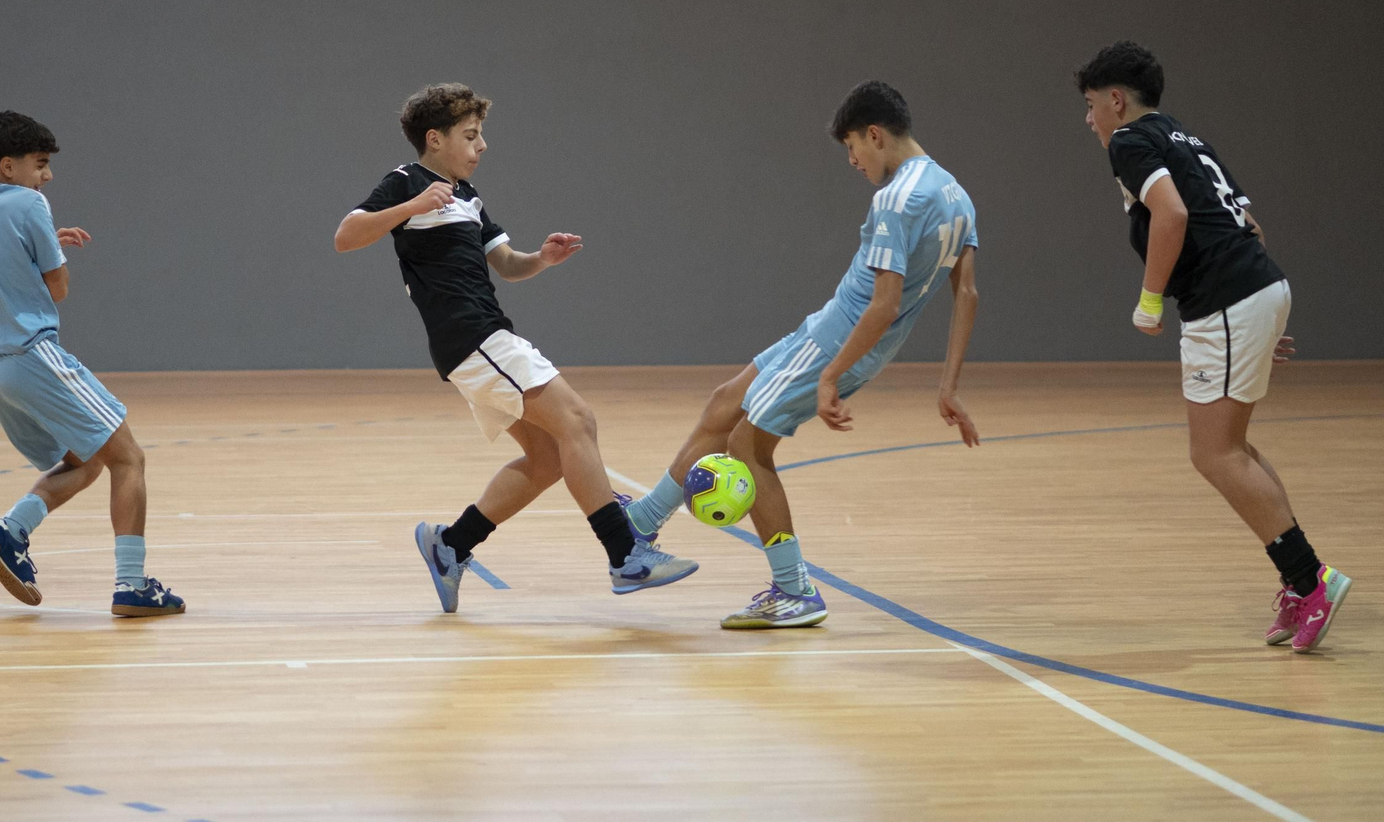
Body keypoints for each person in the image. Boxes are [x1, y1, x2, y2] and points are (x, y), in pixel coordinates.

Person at [624, 81, 981, 629]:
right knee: (726, 404)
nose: (853, 161)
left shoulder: (896, 198)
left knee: (747, 444)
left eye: (852, 148)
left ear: (875, 134)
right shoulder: (955, 193)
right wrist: (949, 386)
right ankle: (643, 523)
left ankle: (794, 591)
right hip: (829, 329)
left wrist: (831, 375)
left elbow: (884, 303)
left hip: (837, 341)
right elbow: (967, 293)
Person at [335, 84, 697, 611]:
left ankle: (451, 545)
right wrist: (411, 205)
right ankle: (625, 555)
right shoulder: (407, 182)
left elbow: (507, 265)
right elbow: (346, 235)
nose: (481, 146)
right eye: (470, 135)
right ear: (434, 140)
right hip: (473, 337)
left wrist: (542, 259)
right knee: (578, 420)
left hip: (481, 339)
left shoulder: (468, 200)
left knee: (549, 456)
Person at [1077, 40, 1348, 653]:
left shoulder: (1128, 143)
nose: (1089, 120)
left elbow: (1170, 217)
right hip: (1255, 286)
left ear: (1116, 100)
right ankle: (1301, 578)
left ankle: (1312, 582)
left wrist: (1149, 302)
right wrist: (1257, 317)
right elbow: (1247, 225)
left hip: (1229, 300)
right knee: (1234, 447)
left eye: (1092, 105)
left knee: (1215, 453)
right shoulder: (1186, 137)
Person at [0, 111, 183, 618]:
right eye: (41, 164)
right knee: (129, 458)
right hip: (29, 354)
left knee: (88, 458)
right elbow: (58, 288)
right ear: (10, 166)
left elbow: (0, 253)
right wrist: (48, 247)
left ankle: (10, 531)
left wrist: (43, 239)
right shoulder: (29, 202)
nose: (47, 175)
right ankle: (132, 585)